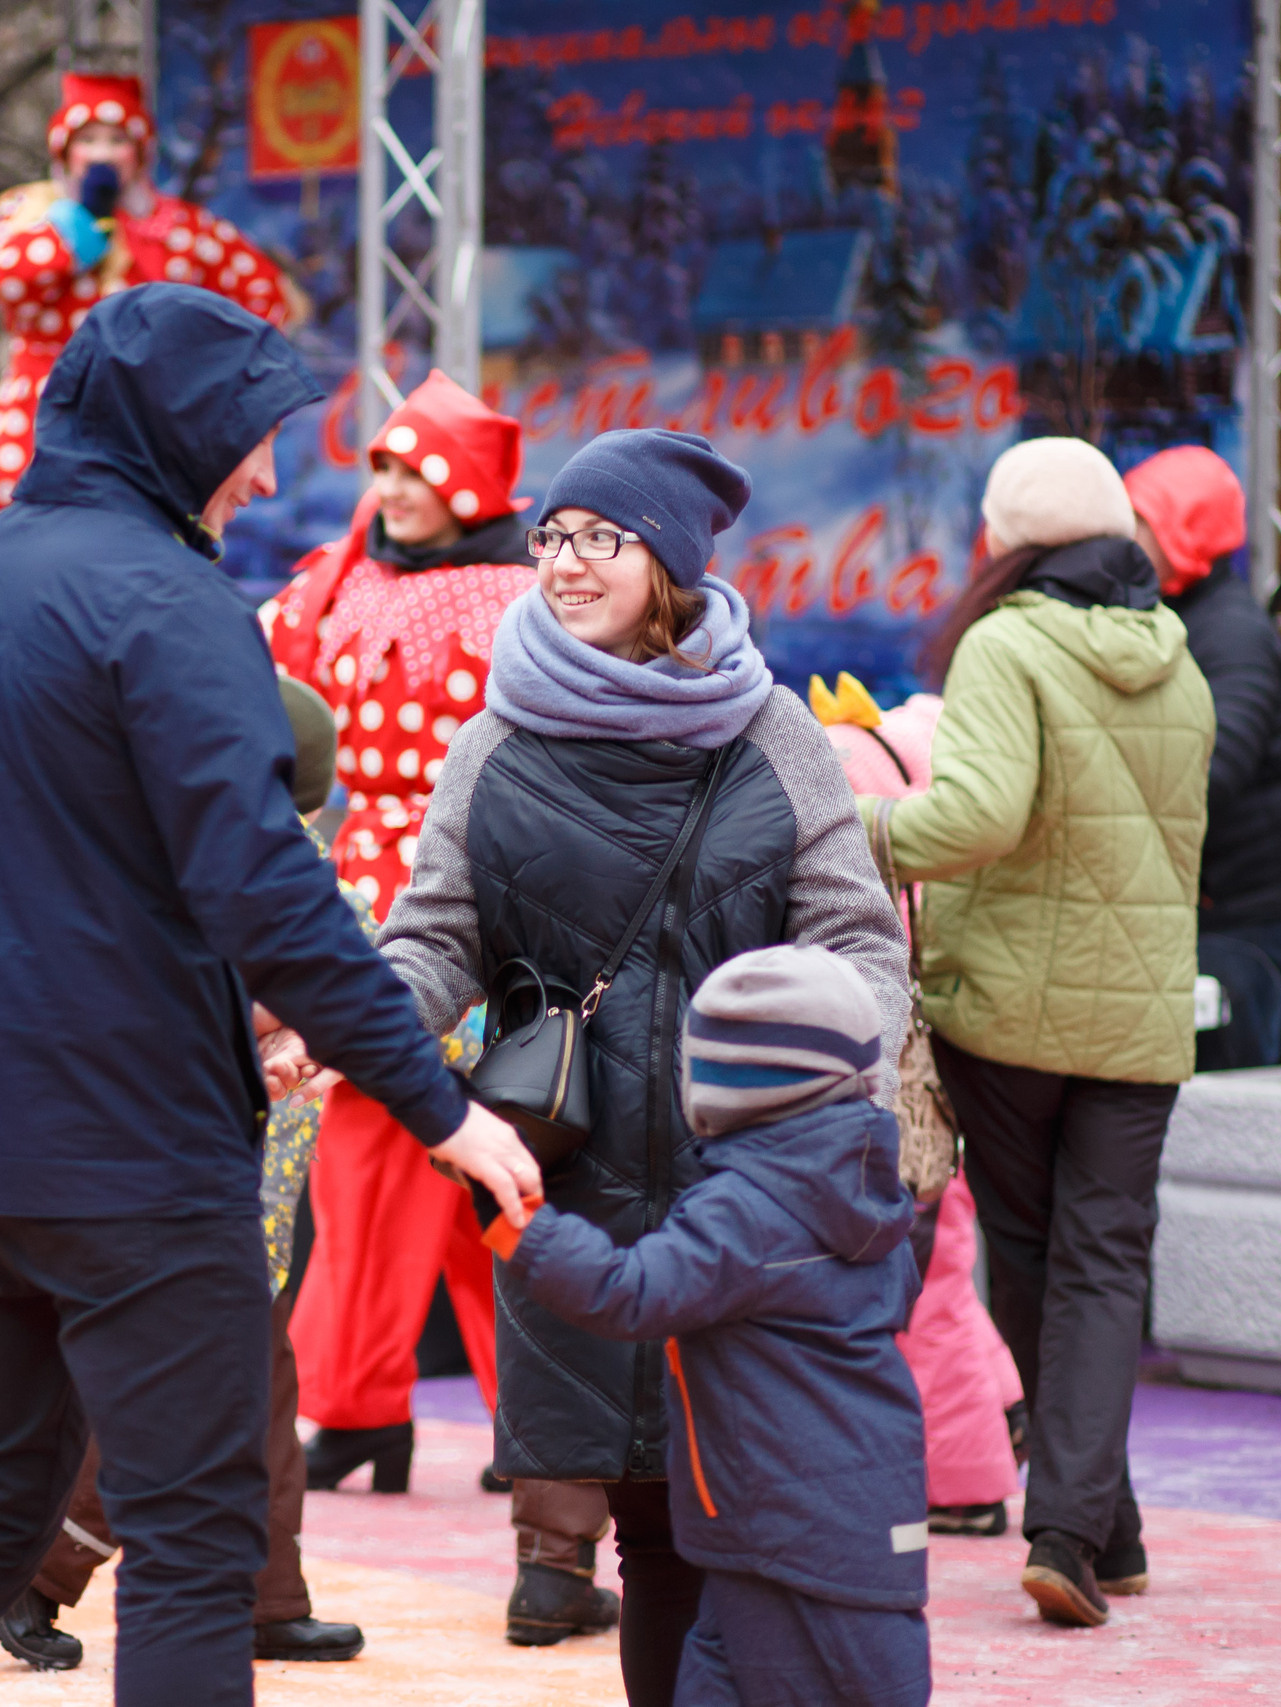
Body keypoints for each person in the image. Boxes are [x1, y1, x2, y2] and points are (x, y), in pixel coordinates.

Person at [0, 284, 540, 1707]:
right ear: (177, 428)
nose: (270, 472)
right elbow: (267, 891)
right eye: (250, 436)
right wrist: (434, 1100)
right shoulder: (174, 601)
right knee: (197, 1541)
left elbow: (82, 858)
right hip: (135, 1152)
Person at [376, 428, 909, 1705]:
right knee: (649, 1530)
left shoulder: (770, 733)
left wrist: (829, 1118)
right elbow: (433, 938)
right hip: (573, 1186)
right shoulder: (495, 739)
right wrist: (350, 1032)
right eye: (548, 535)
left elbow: (860, 949)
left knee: (731, 1527)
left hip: (750, 1200)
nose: (561, 562)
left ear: (666, 558)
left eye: (597, 538)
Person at [871, 435, 1213, 1627]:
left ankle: (1065, 1529)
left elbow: (972, 817)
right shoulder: (1179, 659)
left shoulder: (1004, 642)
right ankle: (1097, 1530)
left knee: (1027, 1263)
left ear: (1003, 537)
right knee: (1106, 1267)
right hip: (1142, 1021)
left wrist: (850, 826)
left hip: (1008, 1012)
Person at [0, 678, 373, 1672]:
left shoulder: (280, 867)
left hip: (256, 1193)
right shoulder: (214, 873)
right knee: (174, 1393)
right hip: (196, 1185)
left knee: (262, 1387)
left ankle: (268, 1596)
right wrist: (289, 1028)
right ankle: (38, 1571)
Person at [486, 946, 931, 1707]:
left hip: (786, 1530)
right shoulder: (861, 1187)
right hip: (840, 1518)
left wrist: (515, 1223)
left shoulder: (747, 1211)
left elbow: (630, 1293)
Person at [263, 371, 529, 1501]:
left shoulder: (524, 596)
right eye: (380, 466)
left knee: (499, 1169)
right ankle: (360, 1405)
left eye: (414, 467)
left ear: (465, 480)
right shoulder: (334, 581)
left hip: (488, 888)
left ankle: (535, 1416)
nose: (392, 487)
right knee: (367, 1162)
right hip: (359, 894)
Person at [812, 677, 1028, 1534]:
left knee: (928, 1284)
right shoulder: (916, 781)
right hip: (936, 1070)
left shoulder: (839, 767)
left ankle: (966, 1481)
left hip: (883, 1077)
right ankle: (1003, 1405)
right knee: (946, 1266)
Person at [0, 71, 302, 525]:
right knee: (12, 548)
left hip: (141, 420)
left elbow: (265, 295)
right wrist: (80, 228)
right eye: (89, 139)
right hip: (37, 411)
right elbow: (4, 276)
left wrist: (204, 378)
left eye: (116, 140)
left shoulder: (177, 229)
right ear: (65, 149)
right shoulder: (30, 211)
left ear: (139, 152)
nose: (103, 153)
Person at [1122, 445, 1281, 1070]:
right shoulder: (1157, 615)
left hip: (1244, 913)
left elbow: (1215, 773)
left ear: (1183, 532)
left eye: (1140, 524)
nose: (1123, 541)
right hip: (1189, 903)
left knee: (1233, 1092)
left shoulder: (1233, 632)